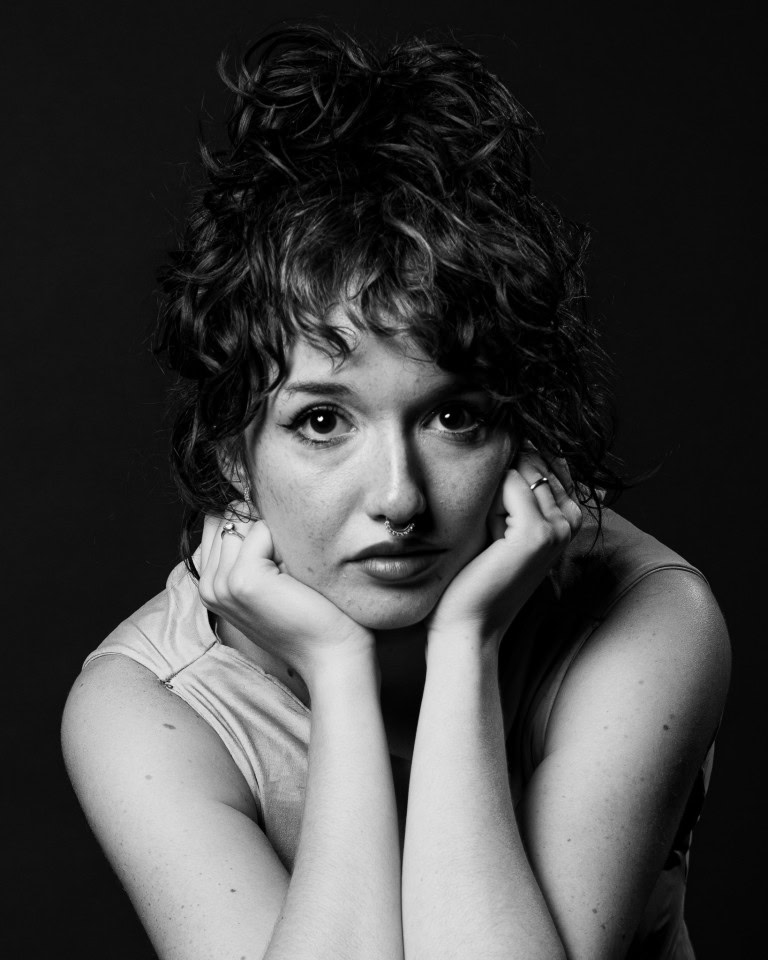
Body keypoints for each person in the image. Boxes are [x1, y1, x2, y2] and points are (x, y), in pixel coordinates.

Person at [60, 23, 730, 960]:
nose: (401, 499)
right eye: (324, 422)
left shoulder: (652, 618)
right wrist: (340, 678)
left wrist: (466, 644)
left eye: (453, 416)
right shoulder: (149, 703)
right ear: (231, 453)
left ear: (522, 433)